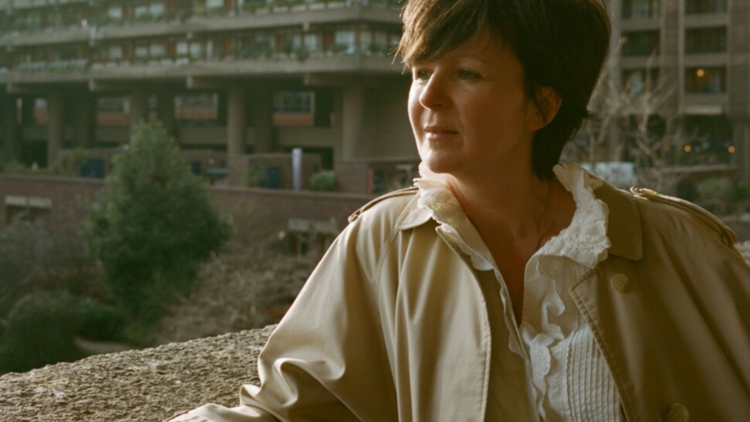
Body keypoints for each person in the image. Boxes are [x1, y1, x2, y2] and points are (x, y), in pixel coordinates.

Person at [169, 0, 750, 420]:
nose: (429, 96)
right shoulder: (380, 245)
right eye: (422, 72)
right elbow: (282, 410)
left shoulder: (674, 243)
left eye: (466, 73)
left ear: (541, 106)